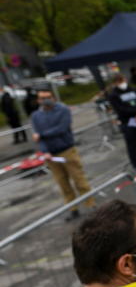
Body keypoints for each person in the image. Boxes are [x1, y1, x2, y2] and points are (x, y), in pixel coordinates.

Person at [30, 88, 93, 220]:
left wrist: (42, 135)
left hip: (67, 150)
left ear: (53, 97)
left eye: (48, 97)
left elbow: (62, 129)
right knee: (63, 184)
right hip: (51, 156)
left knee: (79, 180)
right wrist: (45, 151)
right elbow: (38, 138)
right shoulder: (36, 116)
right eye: (42, 98)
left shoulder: (63, 110)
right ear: (38, 100)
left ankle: (90, 205)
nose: (45, 100)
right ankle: (72, 208)